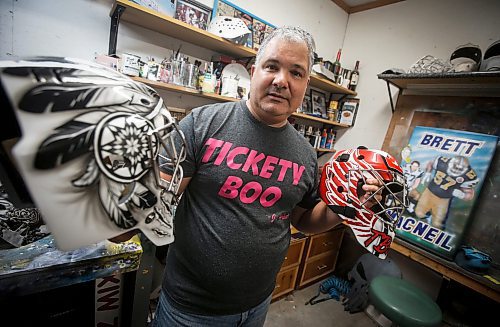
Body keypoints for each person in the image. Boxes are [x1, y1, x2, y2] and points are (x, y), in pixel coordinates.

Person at [151, 26, 382, 326]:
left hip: (258, 304)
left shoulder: (305, 153)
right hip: (190, 309)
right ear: (254, 71)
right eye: (272, 66)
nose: (281, 81)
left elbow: (304, 220)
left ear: (305, 84)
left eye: (296, 73)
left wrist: (350, 205)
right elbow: (158, 196)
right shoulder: (202, 124)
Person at [415, 155, 478, 229]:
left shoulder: (469, 175)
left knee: (437, 224)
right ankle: (427, 216)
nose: (456, 170)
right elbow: (431, 164)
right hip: (429, 192)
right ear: (450, 163)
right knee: (419, 213)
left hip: (444, 199)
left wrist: (462, 195)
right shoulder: (441, 162)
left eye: (459, 169)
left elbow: (470, 194)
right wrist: (428, 172)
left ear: (465, 169)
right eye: (455, 167)